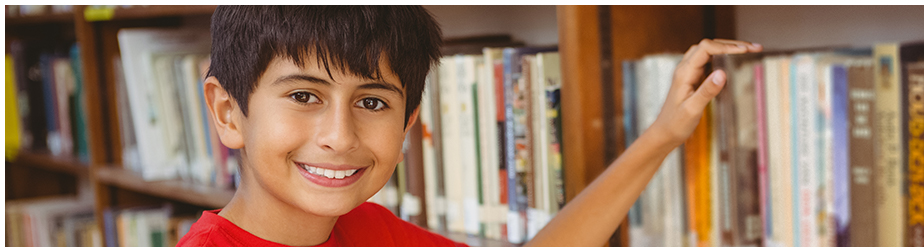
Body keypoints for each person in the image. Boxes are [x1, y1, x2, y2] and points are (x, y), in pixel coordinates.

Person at [177, 5, 763, 247]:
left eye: (373, 102)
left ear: (408, 123)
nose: (340, 135)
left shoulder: (367, 228)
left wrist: (662, 133)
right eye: (305, 95)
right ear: (229, 112)